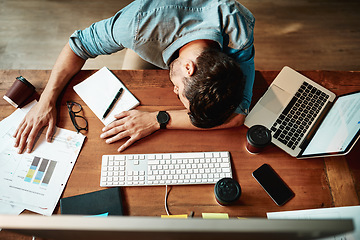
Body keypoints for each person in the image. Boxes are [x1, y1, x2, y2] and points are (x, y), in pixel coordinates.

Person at [13, 0, 255, 153]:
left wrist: (158, 119)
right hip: (155, 29)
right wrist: (46, 100)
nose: (174, 92)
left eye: (179, 94)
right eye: (180, 91)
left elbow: (235, 116)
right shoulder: (135, 26)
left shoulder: (238, 29)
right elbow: (77, 46)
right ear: (189, 69)